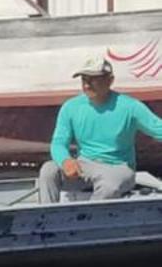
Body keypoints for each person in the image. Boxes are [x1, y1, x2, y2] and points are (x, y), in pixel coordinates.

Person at [38, 54, 162, 204]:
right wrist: (65, 161)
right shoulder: (70, 107)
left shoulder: (130, 107)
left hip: (118, 167)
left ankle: (87, 221)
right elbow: (58, 143)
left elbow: (158, 129)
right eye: (84, 80)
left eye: (93, 80)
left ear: (110, 81)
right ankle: (45, 220)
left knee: (109, 185)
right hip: (84, 164)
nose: (87, 85)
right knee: (48, 170)